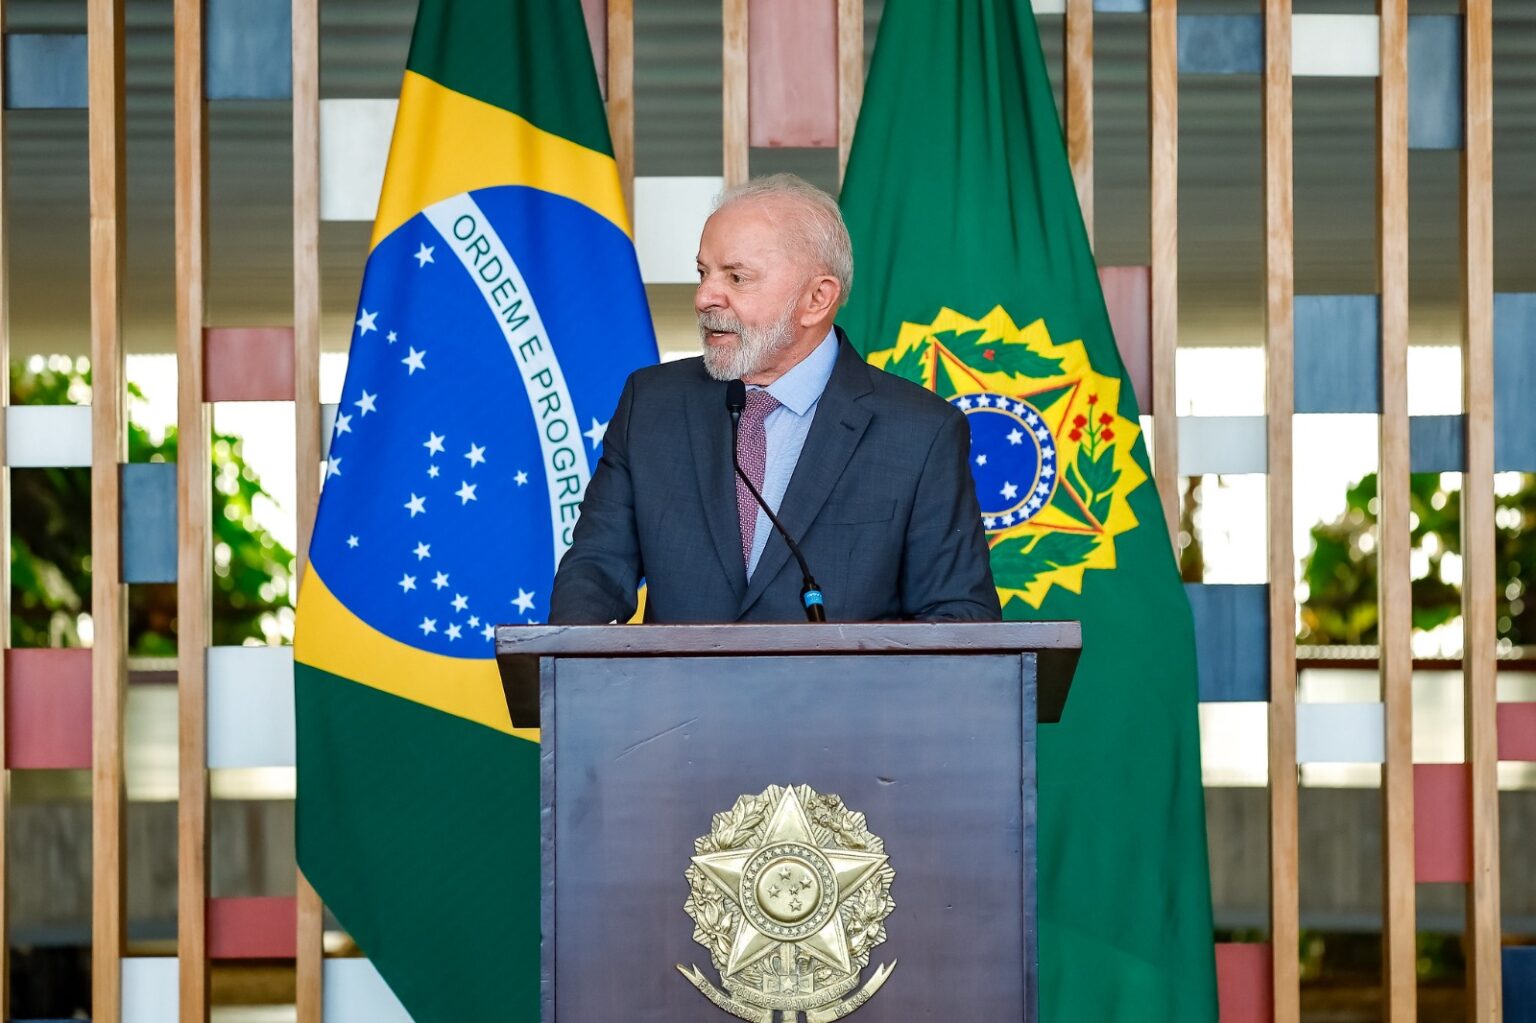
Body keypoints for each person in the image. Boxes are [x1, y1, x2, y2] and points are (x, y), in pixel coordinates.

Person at [548, 174, 999, 624]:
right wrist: (565, 670)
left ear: (817, 299)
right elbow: (596, 569)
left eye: (737, 277)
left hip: (843, 696)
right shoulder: (651, 405)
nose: (705, 297)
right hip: (674, 696)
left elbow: (958, 615)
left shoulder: (920, 432)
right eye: (703, 273)